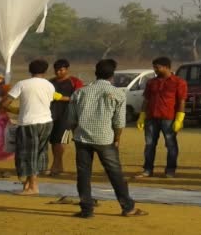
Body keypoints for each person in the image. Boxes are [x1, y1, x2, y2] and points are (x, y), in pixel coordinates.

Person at [65, 59, 146, 218]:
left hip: (82, 138)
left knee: (83, 174)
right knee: (115, 173)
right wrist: (117, 138)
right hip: (105, 139)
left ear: (96, 73)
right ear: (112, 75)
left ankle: (86, 210)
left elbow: (71, 120)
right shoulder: (118, 93)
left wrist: (78, 132)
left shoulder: (80, 92)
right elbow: (119, 122)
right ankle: (127, 207)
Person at [0, 59, 55, 195]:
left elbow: (5, 103)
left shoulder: (22, 84)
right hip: (46, 122)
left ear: (30, 70)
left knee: (28, 155)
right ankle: (27, 185)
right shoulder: (49, 85)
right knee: (39, 153)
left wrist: (16, 111)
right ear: (45, 71)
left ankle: (33, 187)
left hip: (29, 122)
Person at [137, 56, 187, 179]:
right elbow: (146, 100)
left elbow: (181, 101)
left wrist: (179, 118)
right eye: (154, 67)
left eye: (157, 67)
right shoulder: (151, 82)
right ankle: (147, 169)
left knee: (170, 145)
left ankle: (170, 170)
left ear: (166, 67)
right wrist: (142, 115)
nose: (155, 70)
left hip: (168, 118)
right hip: (151, 118)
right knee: (149, 145)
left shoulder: (179, 82)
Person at [47, 58, 84, 176]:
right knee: (54, 141)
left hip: (67, 115)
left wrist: (63, 98)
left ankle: (56, 165)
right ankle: (58, 165)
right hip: (51, 114)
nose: (59, 73)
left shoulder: (75, 82)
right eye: (57, 70)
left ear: (67, 69)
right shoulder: (50, 82)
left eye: (61, 70)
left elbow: (80, 98)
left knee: (61, 141)